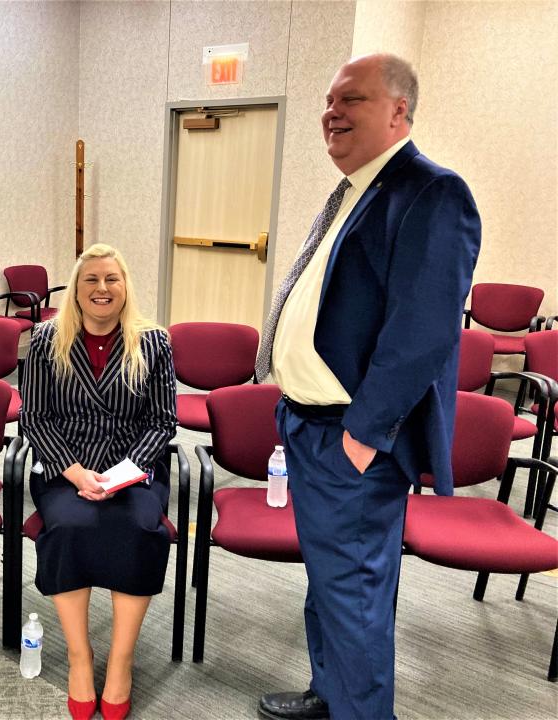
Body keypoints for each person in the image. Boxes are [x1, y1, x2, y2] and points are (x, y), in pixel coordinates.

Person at [254, 54, 480, 720]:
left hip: (349, 438)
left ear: (398, 112)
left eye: (350, 99)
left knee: (353, 593)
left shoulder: (430, 192)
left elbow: (423, 333)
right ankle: (329, 693)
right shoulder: (357, 191)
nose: (331, 112)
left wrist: (364, 437)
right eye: (329, 100)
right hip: (307, 424)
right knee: (330, 583)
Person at [19, 243, 177, 720]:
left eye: (112, 279)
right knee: (68, 528)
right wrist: (75, 472)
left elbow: (163, 422)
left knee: (140, 530)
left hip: (134, 470)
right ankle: (80, 658)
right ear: (76, 288)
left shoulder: (154, 342)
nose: (102, 289)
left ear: (125, 286)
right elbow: (36, 419)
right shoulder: (46, 340)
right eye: (91, 280)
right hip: (67, 469)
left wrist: (124, 474)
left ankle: (122, 662)